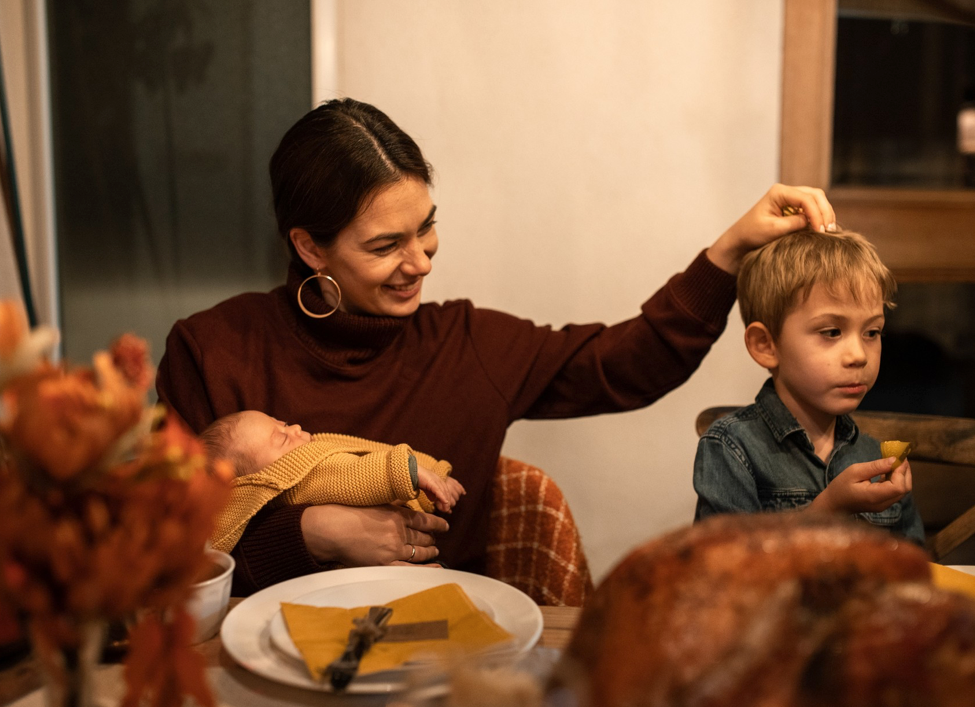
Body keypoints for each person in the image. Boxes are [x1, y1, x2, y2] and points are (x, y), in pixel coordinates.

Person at [156, 97, 839, 595]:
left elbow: (633, 365)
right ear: (309, 246)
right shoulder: (211, 351)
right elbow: (165, 560)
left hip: (438, 664)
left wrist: (729, 252)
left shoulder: (466, 344)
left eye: (426, 228)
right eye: (386, 245)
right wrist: (313, 534)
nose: (421, 261)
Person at [692, 228, 924, 544]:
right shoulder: (732, 448)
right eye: (831, 332)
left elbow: (915, 566)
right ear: (766, 345)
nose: (858, 355)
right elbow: (722, 572)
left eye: (872, 332)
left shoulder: (873, 455)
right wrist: (825, 512)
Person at [199, 410, 464, 553]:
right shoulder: (297, 477)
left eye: (283, 424)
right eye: (281, 438)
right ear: (258, 478)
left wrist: (433, 472)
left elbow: (370, 451)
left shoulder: (308, 454)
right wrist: (410, 472)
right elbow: (355, 473)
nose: (295, 429)